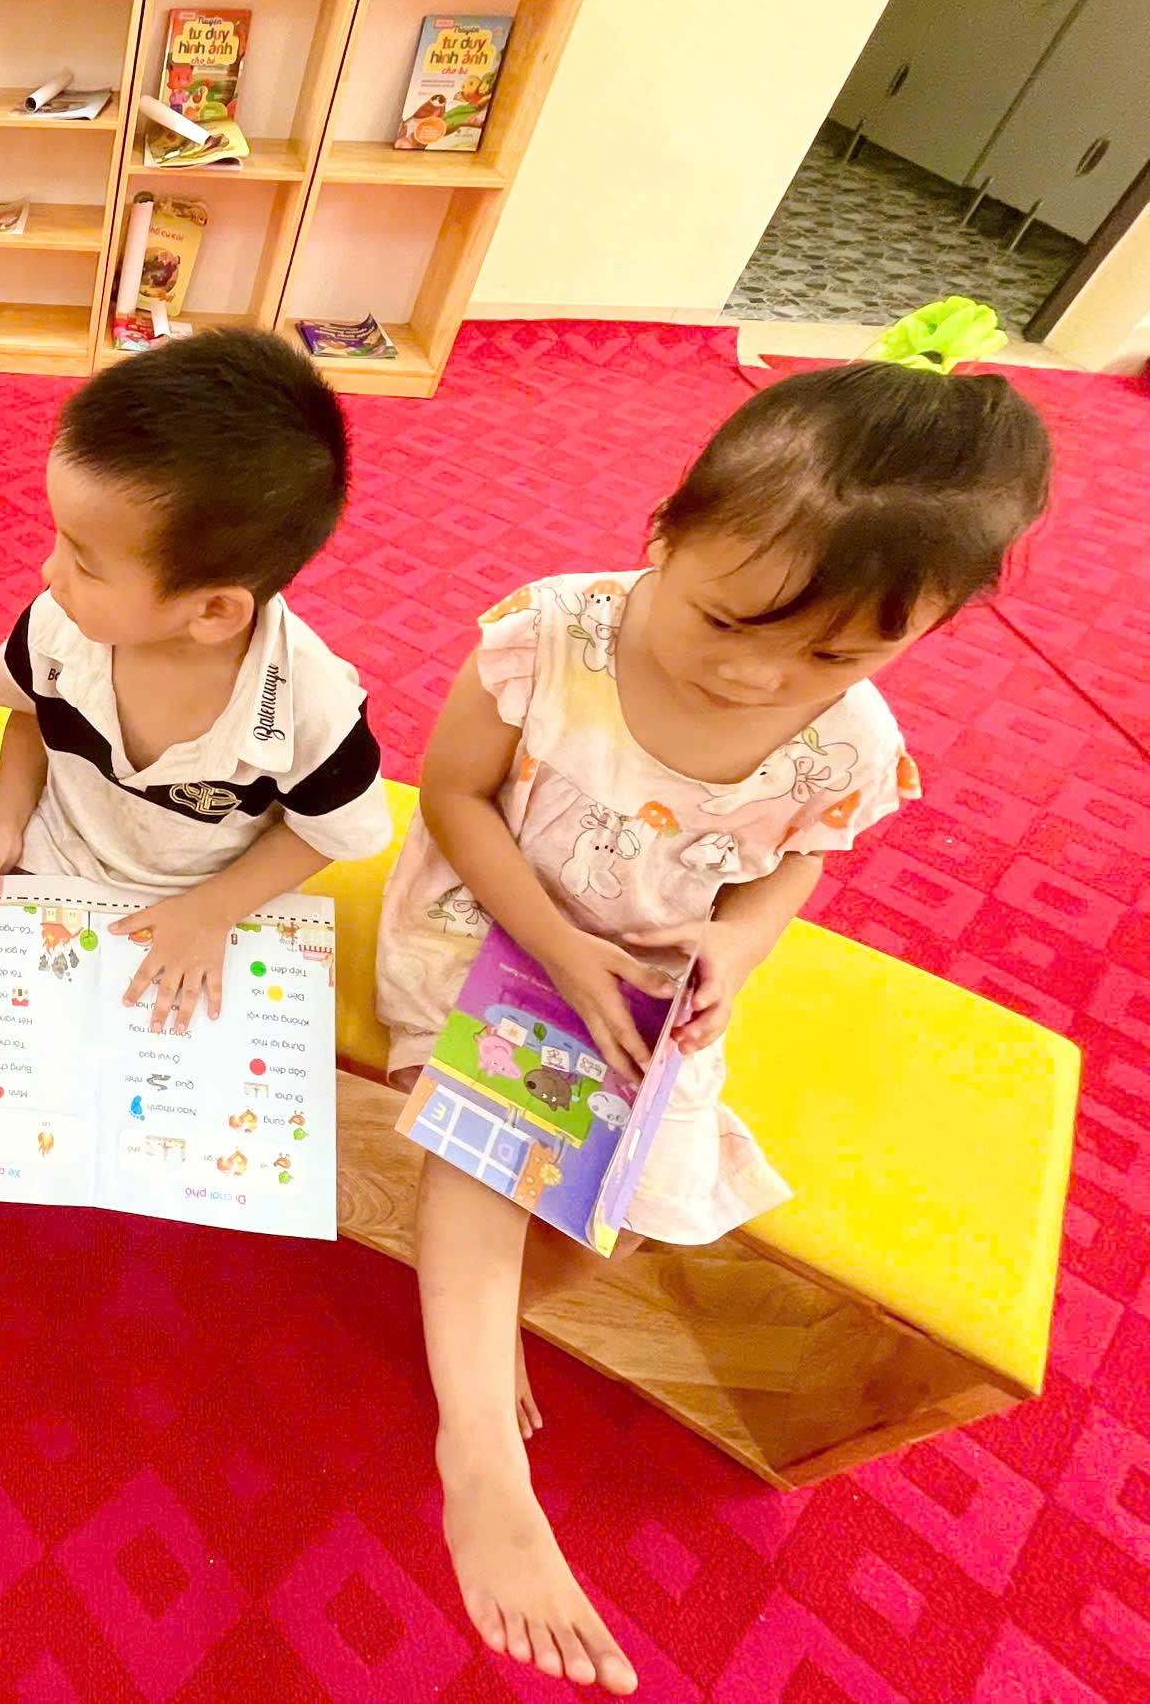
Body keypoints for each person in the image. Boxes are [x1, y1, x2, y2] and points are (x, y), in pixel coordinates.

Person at [376, 363, 1054, 1694]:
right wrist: (555, 948)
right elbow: (451, 794)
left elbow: (792, 863)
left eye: (834, 654)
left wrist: (739, 947)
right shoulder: (553, 633)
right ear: (666, 532)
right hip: (487, 921)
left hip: (649, 966)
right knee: (494, 1132)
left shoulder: (849, 738)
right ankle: (481, 1452)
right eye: (728, 617)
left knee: (633, 1195)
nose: (758, 673)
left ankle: (486, 1326)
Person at [0, 332, 392, 1203]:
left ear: (214, 612)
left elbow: (333, 832)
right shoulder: (57, 625)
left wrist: (212, 910)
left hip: (207, 898)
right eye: (59, 539)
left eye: (83, 561)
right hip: (62, 865)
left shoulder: (309, 705)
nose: (47, 571)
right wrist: (4, 819)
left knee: (176, 1090)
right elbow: (27, 716)